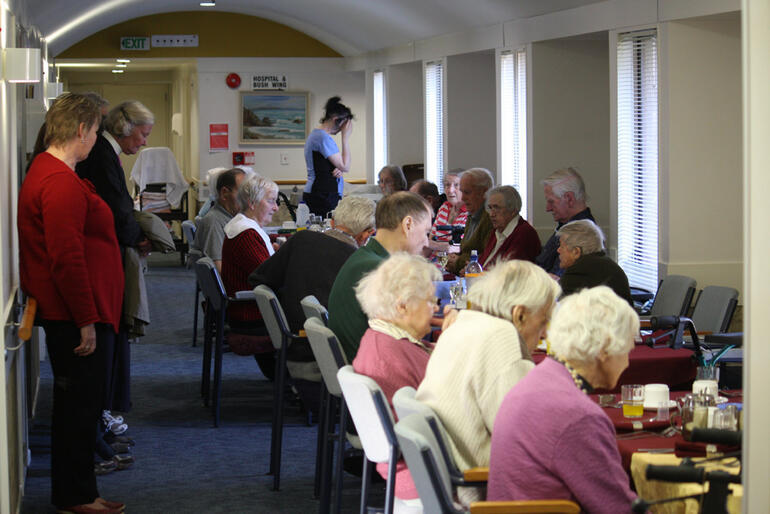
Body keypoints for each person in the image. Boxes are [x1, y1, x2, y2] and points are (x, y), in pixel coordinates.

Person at [19, 93, 125, 513]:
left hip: (77, 310)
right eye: (96, 132)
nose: (95, 139)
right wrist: (86, 319)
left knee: (79, 406)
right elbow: (66, 258)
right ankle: (75, 497)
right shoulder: (58, 180)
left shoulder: (54, 172)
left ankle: (81, 491)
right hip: (75, 314)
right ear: (81, 130)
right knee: (78, 409)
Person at [416, 260, 561, 503]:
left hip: (454, 480)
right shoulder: (500, 336)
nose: (546, 332)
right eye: (544, 319)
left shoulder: (466, 321)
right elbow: (525, 438)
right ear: (520, 314)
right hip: (483, 489)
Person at [487, 286, 640, 513]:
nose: (627, 362)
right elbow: (618, 507)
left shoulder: (541, 377)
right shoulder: (578, 416)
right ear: (605, 348)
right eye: (628, 348)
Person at [353, 253, 441, 509]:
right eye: (430, 301)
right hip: (425, 472)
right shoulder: (389, 356)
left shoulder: (382, 338)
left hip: (408, 468)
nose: (435, 308)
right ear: (402, 306)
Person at [328, 191, 433, 361]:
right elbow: (404, 343)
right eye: (426, 232)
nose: (427, 242)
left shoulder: (363, 257)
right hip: (375, 372)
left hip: (359, 367)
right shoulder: (380, 269)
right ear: (408, 225)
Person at [248, 195, 376, 332]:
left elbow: (258, 278)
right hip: (328, 342)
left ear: (332, 223)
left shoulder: (300, 239)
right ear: (366, 235)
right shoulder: (359, 263)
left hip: (294, 334)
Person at [221, 174, 279, 326]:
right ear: (252, 203)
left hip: (251, 305)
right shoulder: (247, 235)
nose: (276, 208)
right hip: (253, 312)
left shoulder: (244, 227)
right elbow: (269, 277)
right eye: (271, 201)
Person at [556, 219, 633, 305]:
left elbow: (562, 314)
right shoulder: (610, 266)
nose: (558, 250)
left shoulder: (577, 274)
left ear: (576, 252)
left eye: (561, 246)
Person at [535, 167, 596, 275]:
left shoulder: (579, 234)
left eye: (551, 202)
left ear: (569, 199)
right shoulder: (565, 227)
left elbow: (555, 282)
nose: (547, 208)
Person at [303, 96, 353, 216]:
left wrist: (338, 169)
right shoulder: (322, 137)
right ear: (336, 119)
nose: (342, 129)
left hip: (321, 192)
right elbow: (345, 166)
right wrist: (345, 138)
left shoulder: (318, 136)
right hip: (322, 195)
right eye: (343, 125)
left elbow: (336, 165)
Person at [192, 168, 247, 272]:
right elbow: (219, 269)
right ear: (224, 193)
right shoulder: (214, 222)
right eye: (241, 192)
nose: (247, 199)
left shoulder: (231, 217)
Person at [478, 185, 541, 268]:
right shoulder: (497, 231)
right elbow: (482, 263)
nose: (491, 214)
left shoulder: (524, 233)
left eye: (497, 208)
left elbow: (508, 272)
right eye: (490, 208)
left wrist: (478, 274)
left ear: (513, 210)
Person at [446, 168, 495, 273]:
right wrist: (452, 260)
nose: (462, 198)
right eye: (462, 192)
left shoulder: (491, 219)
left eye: (467, 192)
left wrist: (457, 261)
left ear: (484, 192)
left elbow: (485, 258)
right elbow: (466, 251)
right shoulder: (472, 216)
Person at [429, 169, 468, 244]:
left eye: (456, 185)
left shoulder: (469, 212)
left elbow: (460, 247)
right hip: (435, 255)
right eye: (447, 185)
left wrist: (436, 246)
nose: (450, 190)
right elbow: (431, 239)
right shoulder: (444, 207)